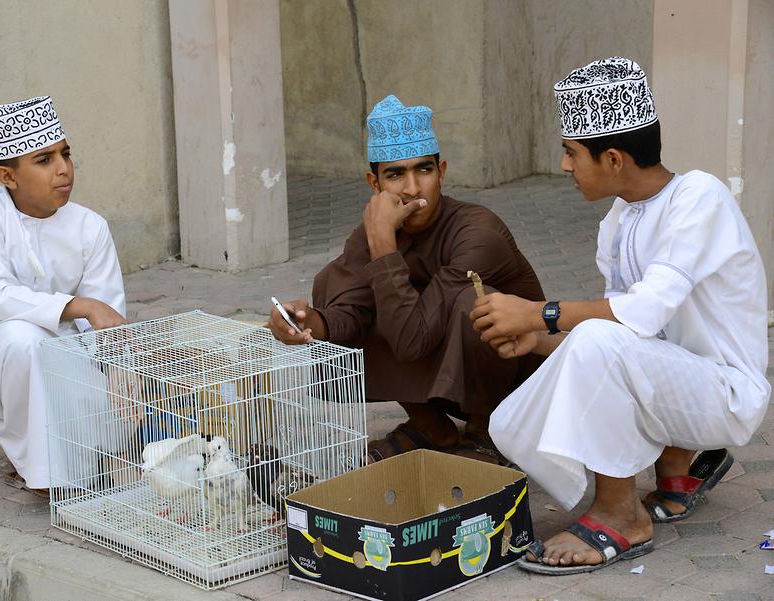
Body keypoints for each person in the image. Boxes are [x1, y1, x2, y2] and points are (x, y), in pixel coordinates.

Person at [471, 57, 770, 574]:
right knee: (592, 340)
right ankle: (676, 467)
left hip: (728, 394)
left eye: (570, 153)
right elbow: (626, 336)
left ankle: (621, 513)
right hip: (679, 382)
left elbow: (636, 318)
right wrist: (535, 341)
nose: (564, 166)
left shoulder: (700, 196)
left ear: (612, 158)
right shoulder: (619, 220)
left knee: (594, 340)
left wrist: (539, 314)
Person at [269, 95, 544, 463]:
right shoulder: (370, 235)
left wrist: (383, 244)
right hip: (444, 370)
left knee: (471, 304)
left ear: (442, 172)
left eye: (424, 171)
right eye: (395, 175)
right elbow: (349, 315)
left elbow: (411, 340)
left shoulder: (479, 232)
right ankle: (430, 425)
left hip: (515, 386)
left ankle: (486, 432)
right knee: (340, 284)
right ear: (374, 182)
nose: (413, 189)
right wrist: (305, 323)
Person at [0, 96, 127, 497]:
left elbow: (106, 323)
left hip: (64, 356)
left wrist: (120, 379)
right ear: (8, 177)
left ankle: (20, 430)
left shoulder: (90, 227)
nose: (63, 169)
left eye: (66, 155)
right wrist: (81, 305)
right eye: (44, 160)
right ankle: (40, 475)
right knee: (23, 338)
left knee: (115, 437)